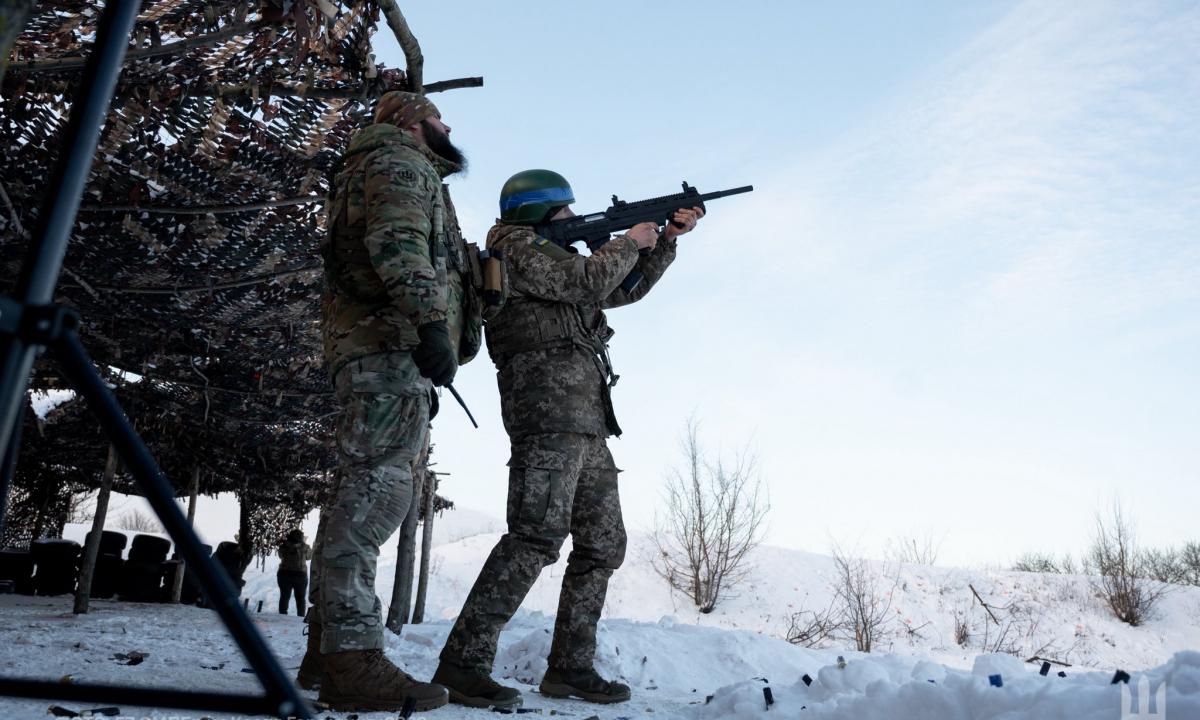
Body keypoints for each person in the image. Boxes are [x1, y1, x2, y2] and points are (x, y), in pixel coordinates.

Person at [432, 170, 703, 708]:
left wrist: (665, 241)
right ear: (538, 213)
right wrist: (629, 239)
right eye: (564, 213)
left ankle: (570, 666)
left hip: (587, 419)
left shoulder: (555, 257)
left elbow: (621, 290)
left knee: (603, 545)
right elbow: (588, 281)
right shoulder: (516, 249)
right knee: (534, 538)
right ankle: (463, 663)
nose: (573, 220)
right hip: (546, 415)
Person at [297, 90, 482, 713]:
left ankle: (327, 653)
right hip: (389, 348)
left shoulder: (380, 165)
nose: (447, 123)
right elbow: (398, 239)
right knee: (377, 496)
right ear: (410, 122)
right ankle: (352, 662)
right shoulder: (399, 162)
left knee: (360, 493)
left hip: (375, 349)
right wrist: (431, 321)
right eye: (437, 115)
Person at [276, 529, 311, 616]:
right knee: (300, 598)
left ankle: (282, 615)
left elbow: (280, 556)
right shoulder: (305, 547)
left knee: (284, 596)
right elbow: (309, 557)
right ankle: (300, 617)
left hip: (284, 573)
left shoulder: (284, 546)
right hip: (300, 574)